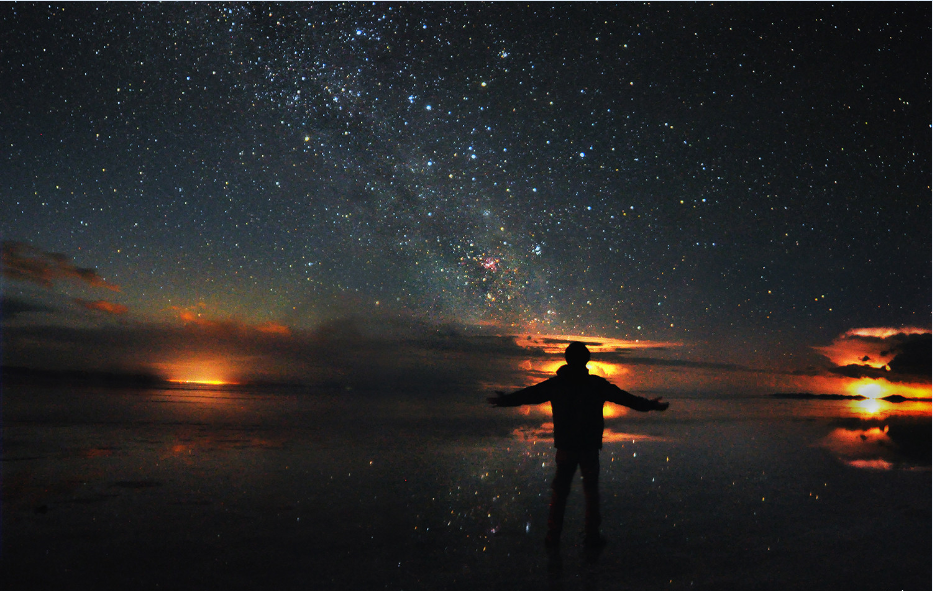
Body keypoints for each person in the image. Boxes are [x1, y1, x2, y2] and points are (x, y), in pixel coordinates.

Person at [488, 341, 669, 548]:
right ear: (586, 360)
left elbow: (529, 394)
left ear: (567, 359)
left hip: (566, 447)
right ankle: (591, 536)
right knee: (590, 492)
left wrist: (505, 400)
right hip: (589, 447)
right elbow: (626, 399)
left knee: (561, 492)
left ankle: (553, 536)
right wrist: (650, 406)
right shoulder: (596, 385)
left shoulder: (557, 384)